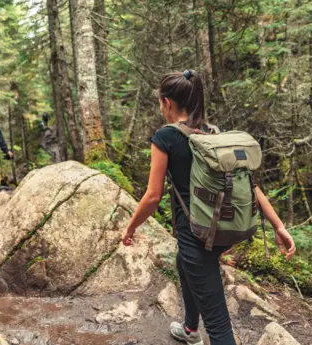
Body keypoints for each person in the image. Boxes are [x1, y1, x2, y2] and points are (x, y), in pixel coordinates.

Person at [121, 70, 296, 345]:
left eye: (159, 102)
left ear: (167, 102)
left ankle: (200, 331)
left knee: (218, 324)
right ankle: (191, 329)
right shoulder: (214, 133)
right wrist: (279, 225)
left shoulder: (165, 138)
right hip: (221, 228)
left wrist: (130, 227)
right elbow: (251, 185)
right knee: (183, 263)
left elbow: (153, 197)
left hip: (196, 234)